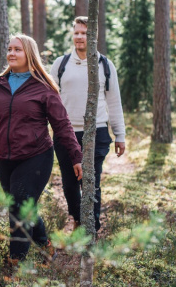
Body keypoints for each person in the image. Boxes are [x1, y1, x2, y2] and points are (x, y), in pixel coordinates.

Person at [0, 34, 83, 266]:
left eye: (17, 49)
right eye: (9, 49)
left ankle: (16, 264)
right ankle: (46, 247)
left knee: (18, 205)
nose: (11, 53)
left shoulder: (44, 88)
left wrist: (76, 156)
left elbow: (62, 125)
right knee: (25, 207)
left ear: (29, 55)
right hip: (5, 158)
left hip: (37, 156)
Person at [49, 16, 126, 232]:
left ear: (94, 36)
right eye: (77, 32)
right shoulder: (60, 64)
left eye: (85, 33)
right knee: (69, 183)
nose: (80, 37)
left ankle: (91, 227)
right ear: (72, 35)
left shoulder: (105, 65)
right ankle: (77, 220)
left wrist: (120, 134)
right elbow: (49, 98)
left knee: (91, 180)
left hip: (98, 132)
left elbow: (114, 101)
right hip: (66, 133)